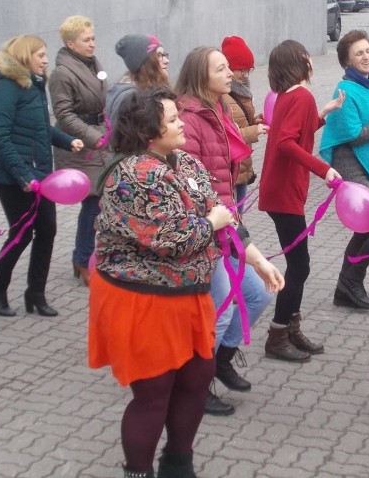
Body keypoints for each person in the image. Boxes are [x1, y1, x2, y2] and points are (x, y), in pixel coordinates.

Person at [89, 87, 283, 478]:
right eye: (173, 119)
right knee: (153, 395)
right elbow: (176, 238)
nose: (182, 124)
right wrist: (212, 223)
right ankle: (138, 470)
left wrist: (258, 260)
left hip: (188, 293)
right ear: (149, 131)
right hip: (143, 300)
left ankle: (178, 463)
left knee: (196, 378)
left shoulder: (183, 163)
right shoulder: (134, 175)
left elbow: (221, 209)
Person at [174, 46, 282, 416]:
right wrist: (218, 226)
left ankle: (219, 360)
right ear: (201, 76)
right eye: (221, 69)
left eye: (227, 68)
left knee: (257, 295)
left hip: (226, 220)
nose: (229, 74)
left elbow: (223, 178)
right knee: (219, 310)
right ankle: (194, 388)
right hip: (206, 230)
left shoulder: (219, 108)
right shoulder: (188, 119)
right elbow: (191, 184)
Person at [0, 35, 84, 318]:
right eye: (39, 55)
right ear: (23, 57)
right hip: (10, 177)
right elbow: (1, 138)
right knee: (21, 234)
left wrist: (68, 141)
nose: (45, 59)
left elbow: (41, 129)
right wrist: (23, 176)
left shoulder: (35, 85)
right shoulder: (6, 88)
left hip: (39, 173)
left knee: (48, 230)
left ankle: (36, 294)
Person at [259, 40, 343, 362]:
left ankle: (291, 328)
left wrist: (323, 113)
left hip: (279, 191)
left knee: (299, 264)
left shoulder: (289, 96)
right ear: (299, 61)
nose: (311, 57)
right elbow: (285, 143)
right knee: (300, 265)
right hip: (284, 194)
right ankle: (279, 334)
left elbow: (297, 132)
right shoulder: (299, 96)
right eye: (306, 54)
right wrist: (324, 169)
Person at [320, 30, 369, 310]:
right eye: (359, 53)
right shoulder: (344, 90)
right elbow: (355, 134)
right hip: (349, 164)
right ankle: (351, 281)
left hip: (367, 163)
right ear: (347, 62)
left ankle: (347, 285)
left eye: (368, 50)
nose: (366, 56)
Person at [48, 15, 108, 286]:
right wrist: (93, 135)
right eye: (87, 40)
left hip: (99, 139)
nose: (93, 44)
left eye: (93, 38)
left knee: (100, 202)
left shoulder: (92, 63)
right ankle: (82, 259)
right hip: (80, 145)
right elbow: (63, 114)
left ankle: (86, 255)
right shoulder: (62, 73)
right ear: (70, 43)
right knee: (93, 203)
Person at [219, 36, 269, 204]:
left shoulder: (242, 89)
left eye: (249, 69)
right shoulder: (222, 94)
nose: (245, 74)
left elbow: (238, 122)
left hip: (243, 163)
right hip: (231, 166)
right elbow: (224, 134)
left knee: (239, 217)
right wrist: (252, 131)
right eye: (241, 70)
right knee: (235, 220)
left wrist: (254, 121)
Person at [106, 34, 171, 131]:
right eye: (159, 55)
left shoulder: (152, 90)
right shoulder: (131, 100)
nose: (167, 60)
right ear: (145, 63)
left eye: (164, 54)